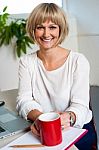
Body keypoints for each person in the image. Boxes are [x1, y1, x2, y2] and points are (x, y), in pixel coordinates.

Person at [16, 3, 97, 150]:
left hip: (76, 129)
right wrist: (41, 119)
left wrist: (68, 117)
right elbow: (24, 100)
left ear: (61, 29)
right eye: (40, 27)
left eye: (52, 27)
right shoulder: (26, 62)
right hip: (42, 129)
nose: (46, 34)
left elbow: (80, 105)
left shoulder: (78, 61)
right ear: (33, 30)